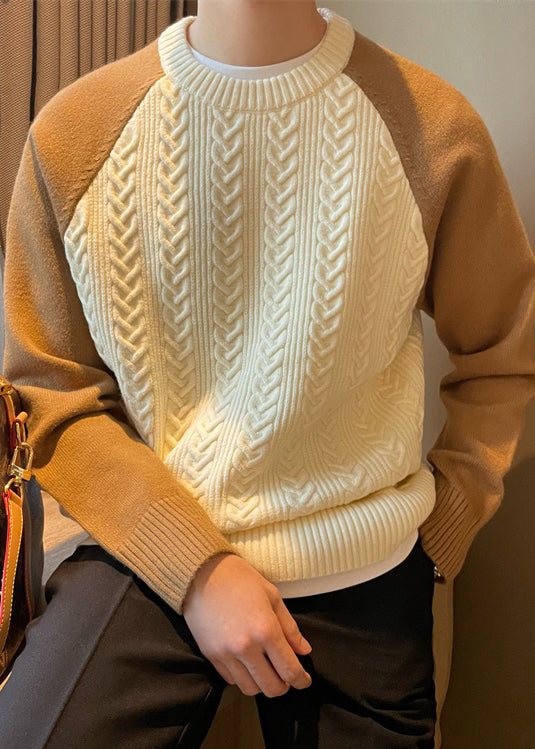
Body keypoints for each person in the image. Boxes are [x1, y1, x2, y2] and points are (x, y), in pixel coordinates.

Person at [2, 1, 535, 747]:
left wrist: (444, 529)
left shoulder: (434, 131)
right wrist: (195, 568)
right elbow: (52, 389)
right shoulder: (74, 134)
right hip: (143, 552)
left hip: (366, 565)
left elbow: (503, 354)